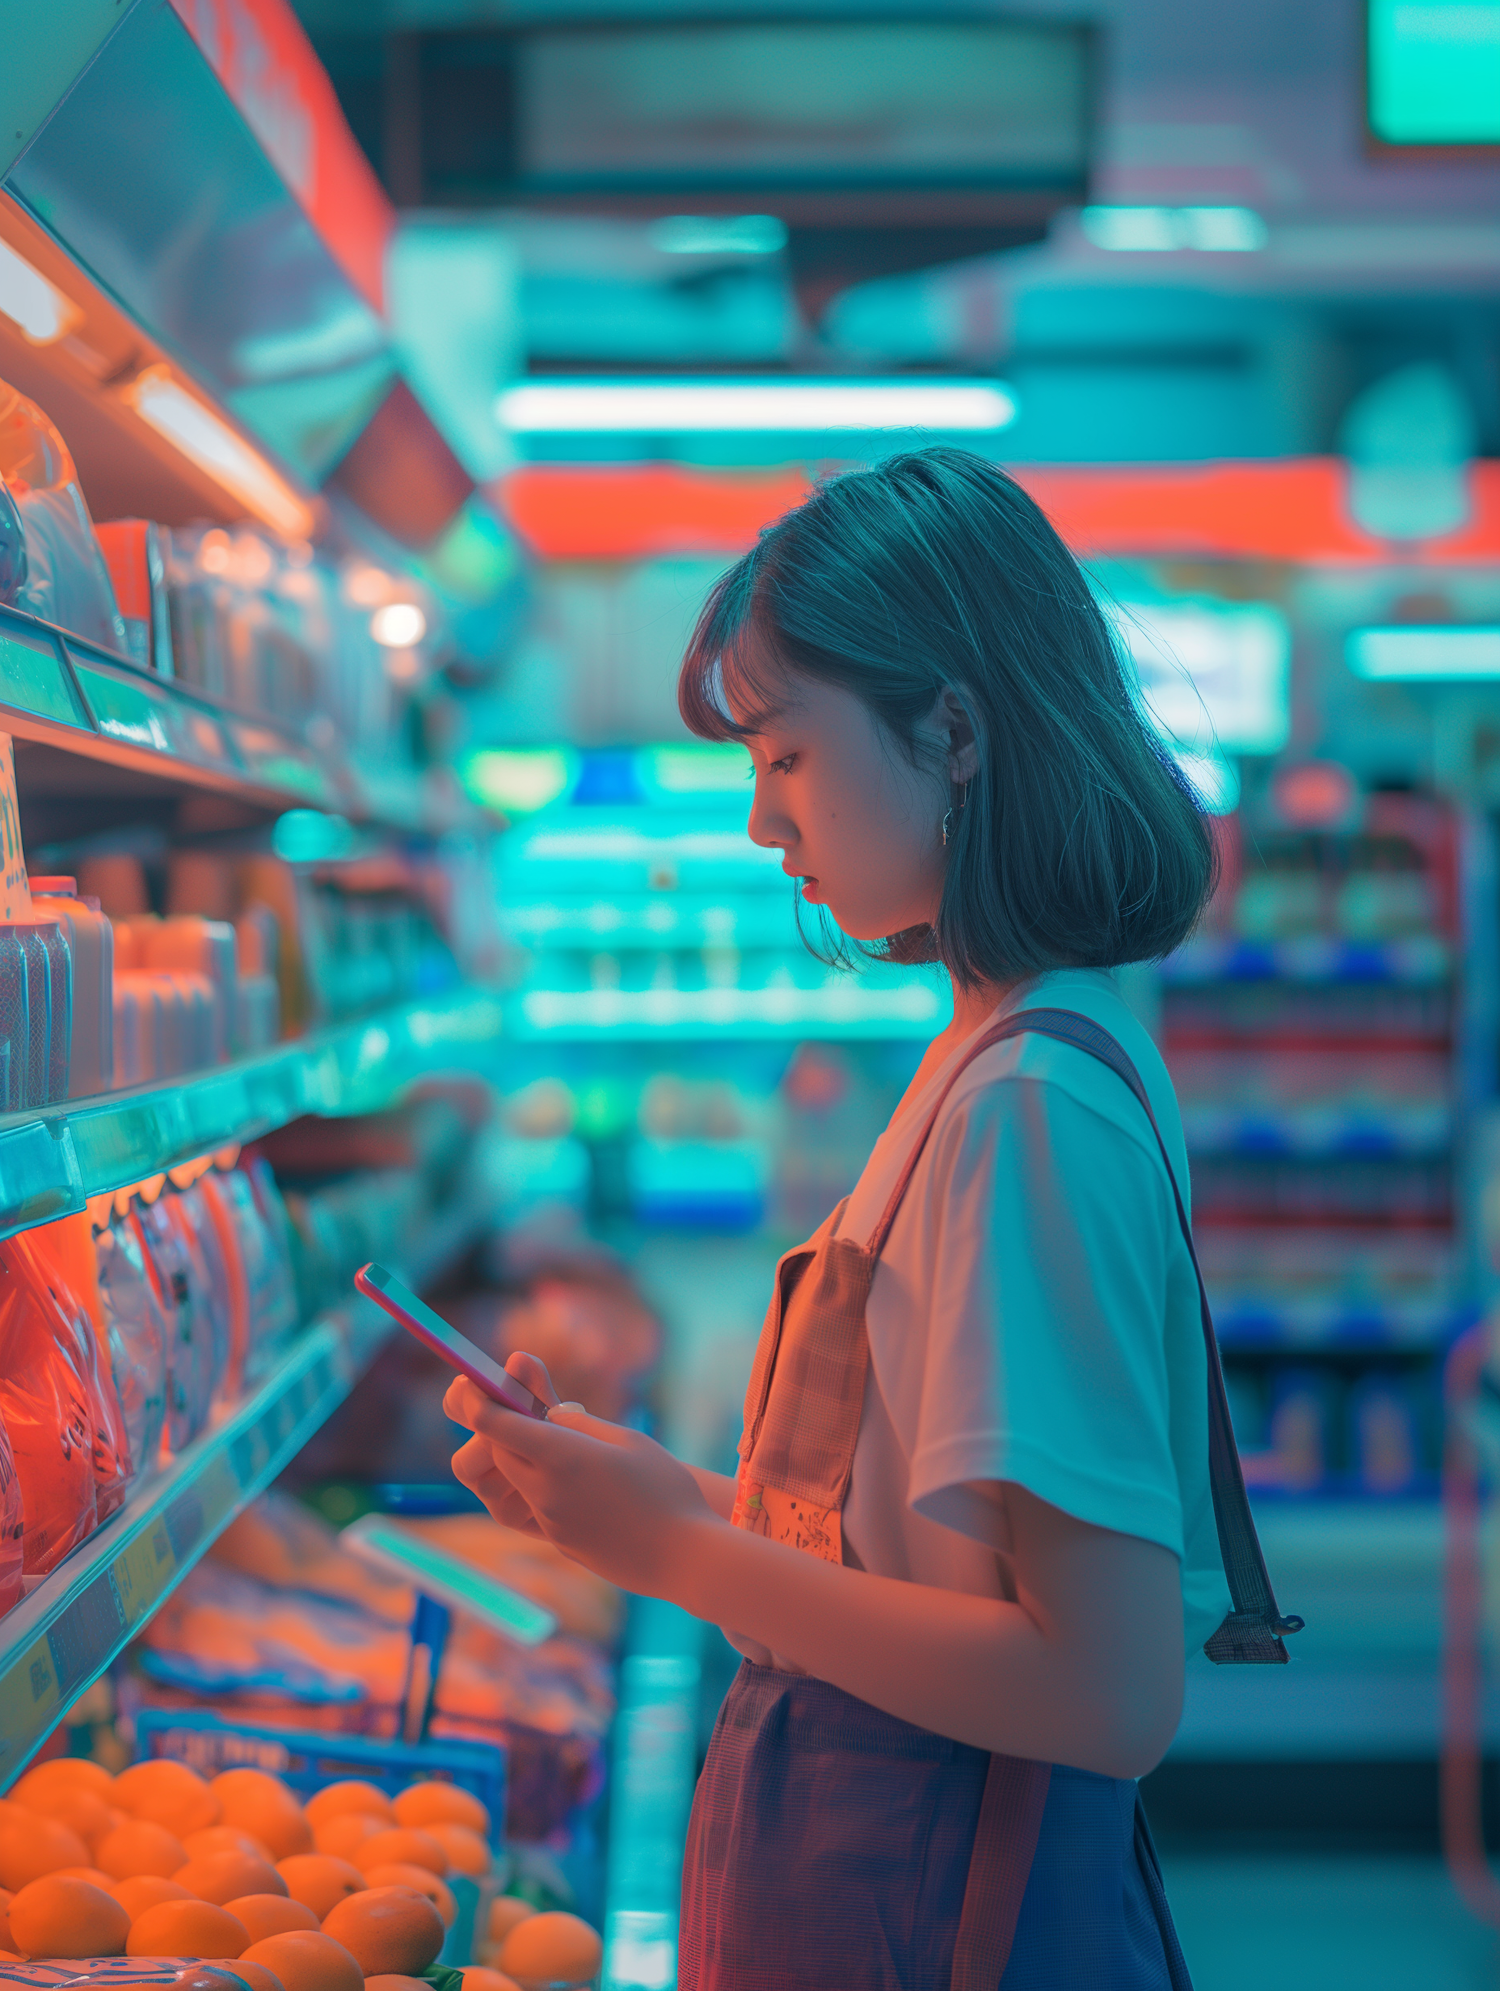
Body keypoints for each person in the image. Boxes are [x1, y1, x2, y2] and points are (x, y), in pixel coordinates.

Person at [446, 448, 1279, 1988]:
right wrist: (671, 1496)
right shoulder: (1000, 1047)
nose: (765, 823)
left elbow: (1106, 1688)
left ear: (951, 729)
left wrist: (684, 1553)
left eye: (782, 755)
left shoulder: (1030, 1099)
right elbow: (926, 1549)